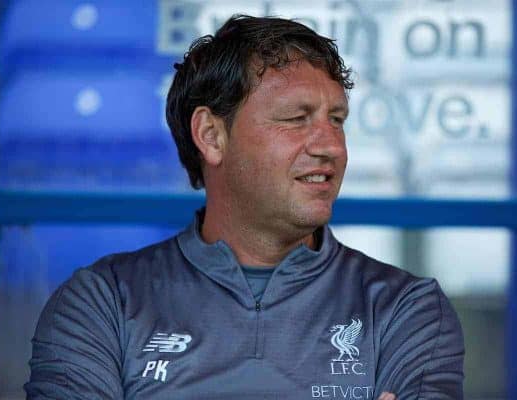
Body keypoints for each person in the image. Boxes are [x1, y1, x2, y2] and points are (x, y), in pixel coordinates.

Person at [25, 15, 464, 400]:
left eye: (336, 119)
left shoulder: (405, 309)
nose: (331, 145)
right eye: (296, 118)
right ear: (212, 136)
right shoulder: (102, 304)